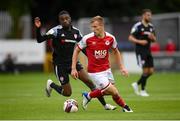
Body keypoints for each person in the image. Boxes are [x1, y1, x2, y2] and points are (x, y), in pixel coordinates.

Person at [34, 10, 116, 110]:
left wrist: (92, 58)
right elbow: (39, 40)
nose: (65, 20)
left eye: (66, 18)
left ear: (70, 19)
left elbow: (84, 47)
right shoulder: (55, 31)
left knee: (90, 83)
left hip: (73, 63)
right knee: (67, 93)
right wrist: (38, 29)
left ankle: (105, 105)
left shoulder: (76, 32)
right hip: (60, 65)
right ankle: (51, 84)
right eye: (62, 19)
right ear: (59, 21)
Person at [71, 16, 133, 112]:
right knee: (114, 91)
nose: (93, 29)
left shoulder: (111, 38)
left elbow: (116, 51)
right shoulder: (87, 38)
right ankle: (126, 108)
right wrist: (73, 68)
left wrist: (122, 67)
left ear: (102, 26)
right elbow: (76, 50)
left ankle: (88, 95)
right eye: (92, 27)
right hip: (95, 72)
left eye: (95, 27)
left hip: (107, 69)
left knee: (112, 93)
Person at [128, 9, 157, 97]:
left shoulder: (151, 27)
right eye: (148, 15)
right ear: (143, 16)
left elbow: (154, 39)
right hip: (140, 51)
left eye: (150, 15)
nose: (149, 17)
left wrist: (152, 38)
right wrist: (140, 42)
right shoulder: (138, 26)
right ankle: (143, 90)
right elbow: (130, 37)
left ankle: (136, 84)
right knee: (145, 71)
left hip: (148, 50)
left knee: (151, 71)